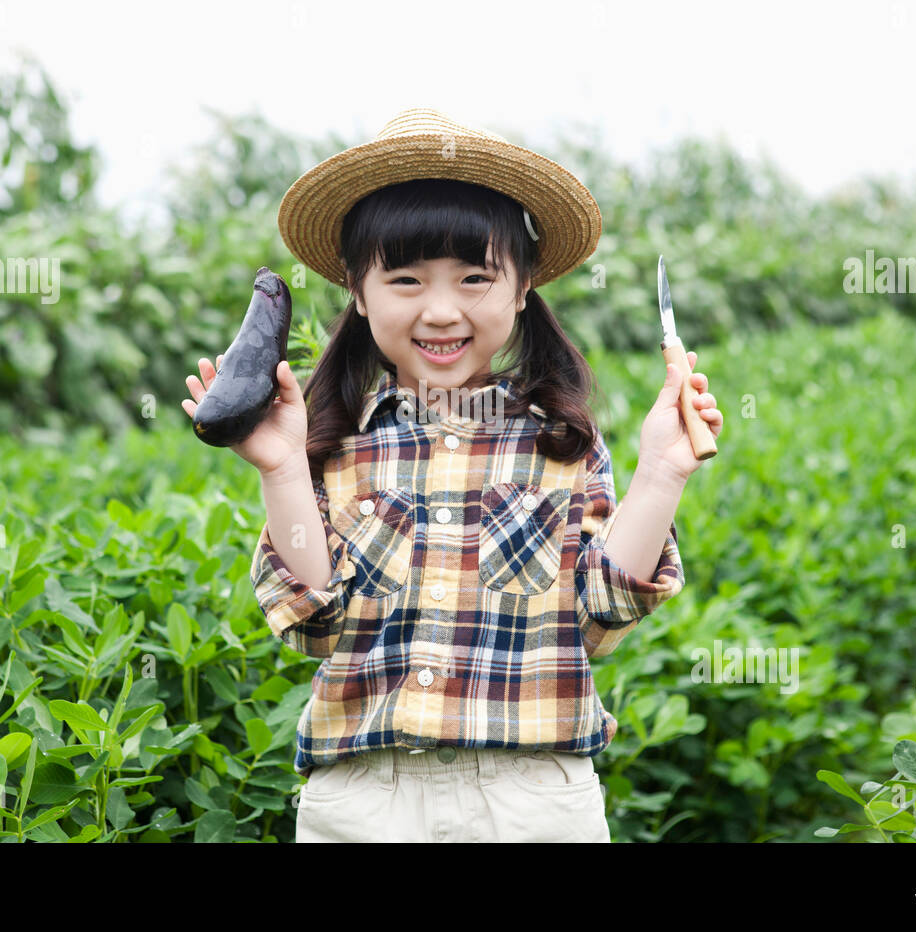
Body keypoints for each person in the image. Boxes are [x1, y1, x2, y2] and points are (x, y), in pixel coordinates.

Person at [181, 108, 722, 842]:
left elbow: (598, 619)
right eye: (405, 279)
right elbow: (313, 626)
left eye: (475, 277)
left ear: (523, 286)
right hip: (366, 803)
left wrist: (660, 473)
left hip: (533, 799)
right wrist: (280, 469)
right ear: (357, 289)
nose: (441, 311)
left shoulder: (559, 445)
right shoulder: (335, 448)